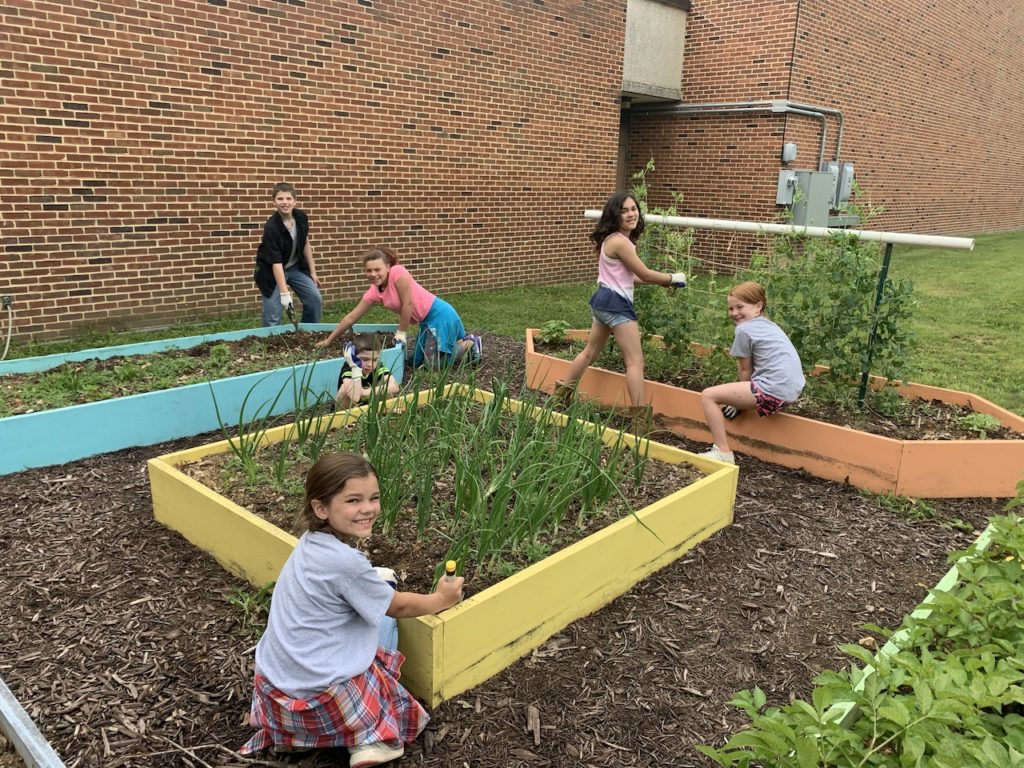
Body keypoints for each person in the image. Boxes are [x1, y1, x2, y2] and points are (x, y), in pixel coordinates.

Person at [240, 452, 464, 766]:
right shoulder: (347, 564)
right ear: (320, 508)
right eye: (353, 500)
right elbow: (398, 606)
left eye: (374, 497)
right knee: (385, 619)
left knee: (370, 599)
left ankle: (299, 740)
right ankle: (371, 739)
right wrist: (442, 599)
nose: (368, 508)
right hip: (328, 704)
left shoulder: (309, 544)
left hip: (278, 700)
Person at [552, 191, 687, 428]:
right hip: (616, 304)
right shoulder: (620, 243)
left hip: (603, 300)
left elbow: (631, 277)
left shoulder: (612, 240)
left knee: (589, 353)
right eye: (624, 211)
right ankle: (640, 423)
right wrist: (673, 277)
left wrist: (664, 281)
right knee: (635, 362)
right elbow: (644, 273)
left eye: (633, 208)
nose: (630, 214)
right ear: (615, 215)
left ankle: (559, 398)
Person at [316, 247, 481, 368]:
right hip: (426, 321)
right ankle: (448, 347)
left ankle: (469, 343)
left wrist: (401, 333)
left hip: (440, 315)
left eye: (377, 269)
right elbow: (351, 317)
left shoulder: (398, 273)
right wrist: (329, 340)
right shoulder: (374, 292)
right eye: (368, 270)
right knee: (413, 362)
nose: (373, 274)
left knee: (433, 366)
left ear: (388, 267)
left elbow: (407, 304)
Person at [698, 281, 805, 464]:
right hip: (792, 390)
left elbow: (745, 369)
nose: (734, 313)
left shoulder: (744, 330)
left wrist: (738, 404)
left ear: (758, 307)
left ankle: (722, 452)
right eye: (731, 308)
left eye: (740, 307)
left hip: (773, 390)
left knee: (708, 396)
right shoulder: (769, 326)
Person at [253, 182, 323, 327]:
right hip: (272, 273)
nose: (285, 202)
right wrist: (285, 295)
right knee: (273, 316)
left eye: (288, 198)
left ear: (295, 201)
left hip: (295, 269)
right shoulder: (271, 227)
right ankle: (271, 343)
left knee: (314, 299)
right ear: (274, 202)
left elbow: (305, 243)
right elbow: (276, 264)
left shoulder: (301, 217)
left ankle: (308, 331)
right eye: (280, 199)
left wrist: (313, 272)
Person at [335, 332, 400, 409]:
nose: (370, 364)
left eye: (375, 360)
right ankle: (345, 419)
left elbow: (395, 386)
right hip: (350, 408)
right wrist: (356, 368)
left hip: (371, 404)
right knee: (344, 389)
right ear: (353, 356)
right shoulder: (349, 368)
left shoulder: (377, 367)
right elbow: (355, 397)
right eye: (365, 359)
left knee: (385, 385)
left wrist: (365, 392)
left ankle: (386, 410)